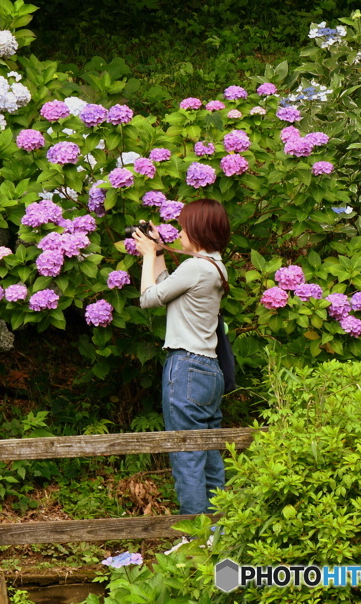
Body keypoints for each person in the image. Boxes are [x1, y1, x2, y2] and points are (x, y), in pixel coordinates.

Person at [132, 199, 231, 516]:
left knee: (187, 456)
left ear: (199, 230)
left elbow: (149, 298)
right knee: (210, 456)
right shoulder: (214, 266)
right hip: (209, 371)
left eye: (186, 226)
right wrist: (159, 252)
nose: (182, 232)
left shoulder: (195, 267)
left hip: (186, 368)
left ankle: (196, 539)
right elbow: (165, 286)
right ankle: (218, 534)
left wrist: (147, 256)